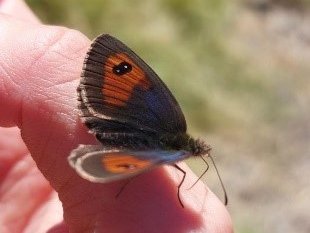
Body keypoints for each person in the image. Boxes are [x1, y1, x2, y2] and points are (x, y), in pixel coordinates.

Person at [0, 0, 233, 232]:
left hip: (117, 126)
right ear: (190, 151)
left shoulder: (176, 124)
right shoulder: (176, 131)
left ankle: (111, 152)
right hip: (119, 138)